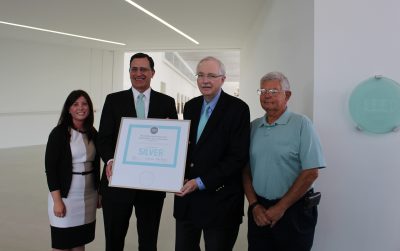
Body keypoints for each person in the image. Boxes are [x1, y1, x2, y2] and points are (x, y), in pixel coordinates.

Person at [97, 52, 178, 251]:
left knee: (148, 242)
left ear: (152, 73)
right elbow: (104, 138)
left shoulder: (166, 103)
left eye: (143, 69)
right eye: (134, 69)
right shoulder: (113, 100)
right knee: (114, 241)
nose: (138, 73)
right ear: (130, 72)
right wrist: (109, 160)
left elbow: (176, 142)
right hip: (117, 182)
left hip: (152, 185)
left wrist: (172, 133)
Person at [242, 71, 326, 251]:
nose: (266, 96)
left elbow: (311, 172)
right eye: (262, 91)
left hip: (294, 211)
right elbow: (245, 169)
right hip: (259, 211)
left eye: (273, 91)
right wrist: (254, 205)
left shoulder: (302, 124)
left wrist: (281, 207)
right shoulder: (253, 127)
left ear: (287, 95)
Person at [174, 56, 250, 251]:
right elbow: (188, 149)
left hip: (221, 202)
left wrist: (199, 182)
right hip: (187, 202)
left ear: (223, 79)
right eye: (200, 75)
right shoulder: (190, 106)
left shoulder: (238, 109)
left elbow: (237, 158)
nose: (205, 80)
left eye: (211, 75)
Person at [45, 90, 100, 251]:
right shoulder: (58, 134)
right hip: (66, 197)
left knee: (79, 242)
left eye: (84, 104)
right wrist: (57, 201)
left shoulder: (92, 133)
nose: (80, 108)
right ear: (68, 109)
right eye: (75, 104)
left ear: (89, 108)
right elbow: (51, 169)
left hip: (89, 196)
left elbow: (97, 164)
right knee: (62, 244)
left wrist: (99, 192)